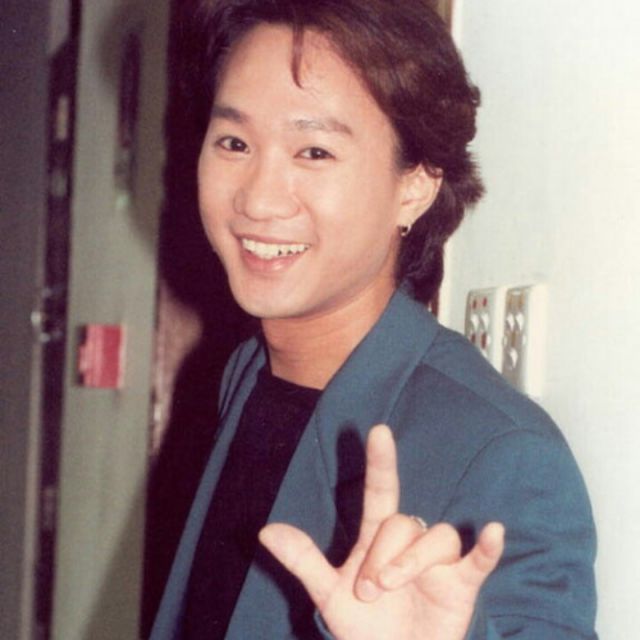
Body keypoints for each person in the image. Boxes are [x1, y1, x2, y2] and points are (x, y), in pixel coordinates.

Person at [151, 0, 598, 638]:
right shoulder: (250, 369)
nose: (258, 198)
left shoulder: (503, 452)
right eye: (235, 143)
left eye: (314, 151)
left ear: (414, 186)